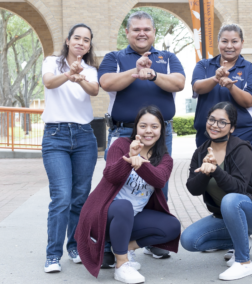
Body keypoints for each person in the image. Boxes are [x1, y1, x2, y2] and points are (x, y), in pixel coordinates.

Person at [98, 10, 185, 264]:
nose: (142, 33)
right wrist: (135, 71)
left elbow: (179, 83)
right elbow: (106, 82)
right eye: (136, 29)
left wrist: (155, 75)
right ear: (127, 32)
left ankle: (152, 240)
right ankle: (108, 244)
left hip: (160, 134)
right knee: (115, 186)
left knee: (158, 185)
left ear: (154, 32)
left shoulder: (167, 57)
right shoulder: (114, 57)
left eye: (147, 29)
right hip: (123, 131)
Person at [75, 106, 181, 283]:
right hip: (102, 215)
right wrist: (130, 157)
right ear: (136, 128)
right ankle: (122, 265)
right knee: (124, 206)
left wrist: (141, 163)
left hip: (131, 220)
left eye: (154, 126)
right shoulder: (120, 144)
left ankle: (123, 249)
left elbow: (159, 180)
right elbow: (111, 175)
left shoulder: (164, 158)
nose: (148, 131)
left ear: (162, 129)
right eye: (143, 126)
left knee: (172, 226)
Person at [181, 102, 252, 281]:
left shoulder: (241, 149)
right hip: (226, 217)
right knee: (189, 240)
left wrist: (216, 169)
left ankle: (243, 262)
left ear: (231, 128)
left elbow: (238, 188)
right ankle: (242, 241)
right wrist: (205, 171)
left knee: (231, 199)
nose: (215, 125)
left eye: (222, 122)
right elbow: (193, 189)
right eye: (212, 120)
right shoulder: (200, 152)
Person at [41, 23, 99, 273]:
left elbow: (94, 90)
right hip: (55, 137)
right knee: (61, 197)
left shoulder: (91, 68)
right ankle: (52, 255)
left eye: (86, 40)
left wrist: (80, 76)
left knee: (79, 198)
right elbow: (49, 83)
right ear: (67, 40)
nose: (81, 43)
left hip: (85, 136)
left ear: (89, 46)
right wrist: (68, 74)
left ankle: (74, 246)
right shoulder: (52, 62)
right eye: (77, 38)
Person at [192, 23, 252, 158]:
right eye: (224, 41)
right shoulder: (204, 65)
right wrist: (215, 78)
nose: (229, 46)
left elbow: (249, 101)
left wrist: (231, 87)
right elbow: (197, 87)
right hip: (208, 135)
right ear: (218, 42)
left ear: (242, 43)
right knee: (208, 176)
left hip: (242, 134)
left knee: (240, 177)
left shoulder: (251, 69)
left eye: (234, 41)